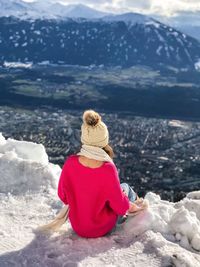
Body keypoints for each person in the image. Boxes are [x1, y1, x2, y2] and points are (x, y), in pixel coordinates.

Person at [57, 110, 146, 238]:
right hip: (100, 228)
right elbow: (119, 207)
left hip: (77, 226)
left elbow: (63, 195)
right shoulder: (107, 168)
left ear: (84, 137)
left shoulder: (70, 163)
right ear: (104, 139)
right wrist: (124, 199)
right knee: (125, 187)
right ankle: (140, 210)